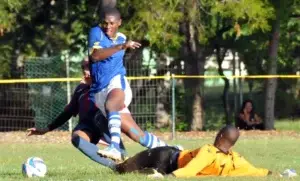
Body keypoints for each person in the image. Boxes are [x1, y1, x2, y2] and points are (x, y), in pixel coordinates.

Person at [27, 58, 174, 166]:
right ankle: (116, 167)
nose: (85, 71)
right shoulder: (80, 89)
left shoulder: (107, 86)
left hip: (106, 123)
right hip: (87, 127)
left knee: (138, 137)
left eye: (89, 67)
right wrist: (46, 129)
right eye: (83, 67)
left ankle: (171, 152)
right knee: (76, 137)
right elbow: (68, 112)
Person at [88, 7, 167, 161]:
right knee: (138, 135)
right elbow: (95, 56)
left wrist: (121, 45)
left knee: (112, 104)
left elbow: (104, 59)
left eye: (111, 23)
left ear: (119, 23)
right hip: (99, 92)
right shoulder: (96, 32)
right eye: (105, 23)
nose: (107, 27)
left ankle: (115, 148)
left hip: (117, 84)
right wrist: (121, 46)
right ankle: (173, 150)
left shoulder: (122, 38)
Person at [115, 125, 272, 178]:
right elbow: (256, 171)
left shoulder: (209, 150)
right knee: (124, 168)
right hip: (169, 156)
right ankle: (125, 163)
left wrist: (168, 177)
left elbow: (191, 169)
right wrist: (272, 173)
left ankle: (124, 164)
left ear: (221, 135)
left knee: (122, 170)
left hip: (166, 157)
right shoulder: (235, 159)